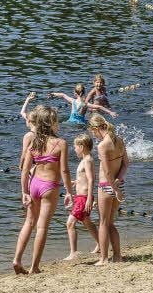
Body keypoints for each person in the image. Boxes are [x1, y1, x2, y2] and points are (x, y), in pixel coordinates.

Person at [13, 106, 73, 274]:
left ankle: (17, 259)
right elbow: (64, 170)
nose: (58, 124)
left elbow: (25, 170)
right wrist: (69, 191)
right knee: (42, 227)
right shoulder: (61, 143)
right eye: (57, 121)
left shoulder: (34, 142)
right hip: (49, 187)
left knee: (29, 222)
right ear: (51, 123)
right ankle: (34, 267)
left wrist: (24, 192)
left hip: (34, 184)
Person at [88, 115, 127, 266]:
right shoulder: (119, 140)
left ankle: (103, 258)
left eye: (93, 131)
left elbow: (107, 171)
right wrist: (119, 181)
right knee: (110, 222)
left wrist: (113, 188)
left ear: (96, 128)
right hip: (119, 184)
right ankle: (117, 256)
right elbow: (126, 163)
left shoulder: (102, 145)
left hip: (106, 186)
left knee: (103, 223)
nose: (94, 135)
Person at [64, 134, 99, 260]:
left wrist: (89, 199)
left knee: (70, 224)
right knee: (87, 222)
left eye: (75, 147)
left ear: (82, 147)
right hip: (80, 197)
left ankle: (73, 252)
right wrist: (76, 182)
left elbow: (91, 179)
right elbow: (83, 178)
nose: (74, 149)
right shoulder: (84, 160)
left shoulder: (87, 160)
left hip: (84, 198)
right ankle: (100, 244)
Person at [49, 84, 115, 126]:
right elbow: (99, 106)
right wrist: (110, 112)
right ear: (84, 93)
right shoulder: (85, 104)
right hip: (81, 124)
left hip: (70, 122)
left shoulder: (73, 101)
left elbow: (63, 95)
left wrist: (53, 94)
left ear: (75, 93)